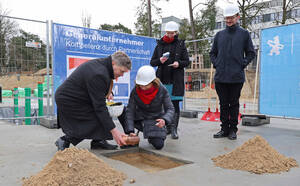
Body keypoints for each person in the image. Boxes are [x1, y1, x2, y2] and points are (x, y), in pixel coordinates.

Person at [55, 51, 131, 151]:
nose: (122, 75)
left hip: (79, 97)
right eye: (122, 71)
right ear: (113, 64)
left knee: (101, 115)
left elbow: (96, 88)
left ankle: (99, 141)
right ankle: (65, 140)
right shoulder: (99, 73)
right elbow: (99, 107)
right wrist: (114, 131)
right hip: (69, 99)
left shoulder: (104, 66)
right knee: (95, 118)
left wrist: (107, 93)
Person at [209, 3, 256, 140]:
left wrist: (242, 64)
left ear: (237, 17)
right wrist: (217, 63)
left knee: (234, 104)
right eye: (226, 18)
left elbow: (251, 53)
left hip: (236, 77)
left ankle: (233, 130)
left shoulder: (244, 34)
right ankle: (224, 129)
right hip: (221, 77)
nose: (228, 20)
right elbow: (212, 53)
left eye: (231, 18)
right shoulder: (219, 35)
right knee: (223, 104)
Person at [150, 21, 190, 139]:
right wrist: (160, 61)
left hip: (175, 80)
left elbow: (187, 61)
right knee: (163, 105)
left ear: (176, 32)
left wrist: (179, 63)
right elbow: (152, 62)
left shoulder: (181, 45)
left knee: (175, 105)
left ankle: (174, 129)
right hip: (162, 80)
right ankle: (166, 127)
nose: (170, 35)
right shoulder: (159, 45)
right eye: (168, 33)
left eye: (172, 33)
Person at [124, 65, 175, 150]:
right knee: (123, 111)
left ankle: (151, 136)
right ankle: (131, 137)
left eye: (146, 85)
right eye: (140, 85)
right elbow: (130, 110)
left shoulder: (162, 90)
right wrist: (130, 130)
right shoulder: (135, 91)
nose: (143, 88)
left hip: (155, 120)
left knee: (159, 145)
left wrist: (164, 120)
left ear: (153, 82)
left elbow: (170, 109)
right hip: (140, 119)